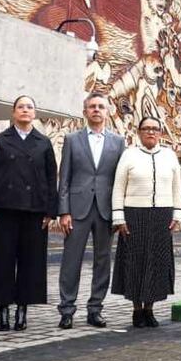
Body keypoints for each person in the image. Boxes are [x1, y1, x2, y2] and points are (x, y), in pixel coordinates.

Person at [0, 96, 58, 332]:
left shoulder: (43, 142)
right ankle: (2, 309)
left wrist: (50, 211)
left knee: (30, 262)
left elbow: (50, 178)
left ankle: (22, 309)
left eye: (30, 107)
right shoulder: (1, 140)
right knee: (1, 261)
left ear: (35, 113)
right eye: (21, 107)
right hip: (3, 209)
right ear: (13, 112)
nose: (25, 110)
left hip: (34, 211)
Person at [57, 92, 125, 329]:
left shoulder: (119, 142)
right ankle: (66, 310)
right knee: (70, 261)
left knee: (103, 261)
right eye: (92, 107)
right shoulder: (72, 139)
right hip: (77, 210)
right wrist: (64, 211)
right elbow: (63, 178)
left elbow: (120, 181)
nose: (96, 110)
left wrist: (119, 213)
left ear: (107, 112)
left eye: (101, 107)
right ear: (85, 111)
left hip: (105, 211)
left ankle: (95, 309)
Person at [112, 116, 181, 327]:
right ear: (139, 132)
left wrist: (177, 214)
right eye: (146, 129)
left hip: (162, 215)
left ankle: (150, 309)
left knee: (156, 261)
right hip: (134, 214)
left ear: (161, 133)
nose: (151, 132)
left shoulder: (169, 156)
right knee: (135, 261)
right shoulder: (129, 155)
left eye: (155, 129)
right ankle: (136, 310)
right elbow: (118, 187)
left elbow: (177, 187)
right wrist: (119, 217)